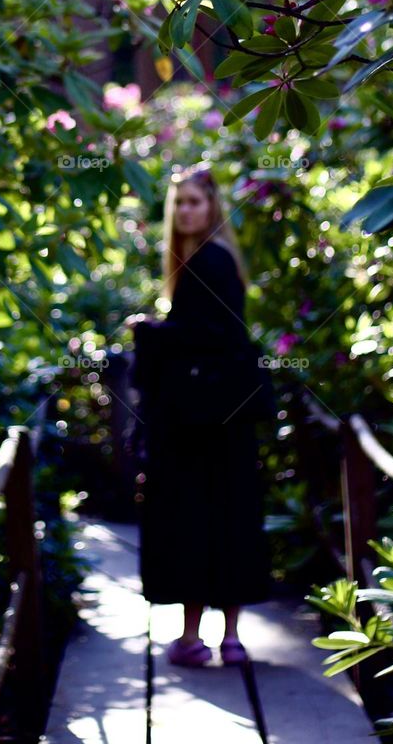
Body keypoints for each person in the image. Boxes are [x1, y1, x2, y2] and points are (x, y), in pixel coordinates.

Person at [127, 162, 272, 667]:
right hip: (218, 417)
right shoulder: (212, 260)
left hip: (201, 421)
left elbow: (214, 338)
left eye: (195, 201)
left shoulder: (207, 262)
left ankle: (195, 638)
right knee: (225, 513)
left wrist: (150, 332)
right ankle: (225, 637)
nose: (186, 210)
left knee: (195, 515)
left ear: (212, 205)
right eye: (180, 202)